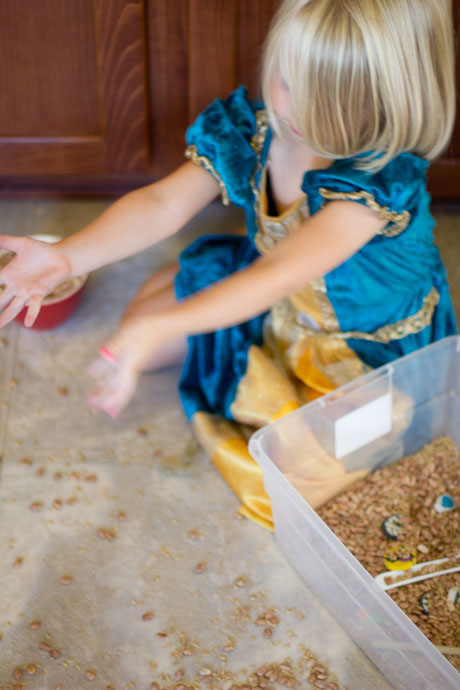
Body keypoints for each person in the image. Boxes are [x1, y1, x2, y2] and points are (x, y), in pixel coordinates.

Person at [0, 0, 456, 528]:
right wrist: (65, 255)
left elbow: (276, 274)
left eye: (336, 101)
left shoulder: (377, 187)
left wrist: (164, 323)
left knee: (306, 472)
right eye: (291, 83)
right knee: (141, 331)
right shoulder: (253, 131)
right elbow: (162, 204)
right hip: (276, 303)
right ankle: (193, 319)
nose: (303, 114)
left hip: (361, 354)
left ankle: (206, 329)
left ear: (392, 102)